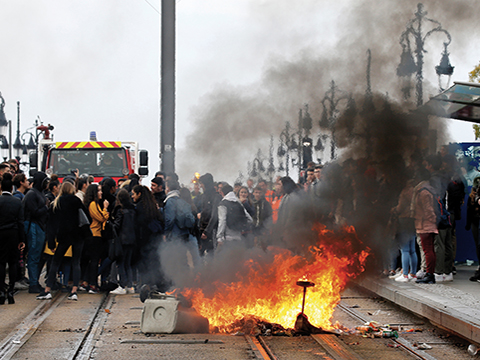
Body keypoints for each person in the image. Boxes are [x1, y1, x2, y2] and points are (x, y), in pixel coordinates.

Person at [37, 182, 88, 301]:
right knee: (76, 262)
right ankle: (74, 290)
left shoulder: (56, 203)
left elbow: (51, 225)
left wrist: (51, 242)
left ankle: (47, 290)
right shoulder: (76, 201)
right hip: (78, 236)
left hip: (64, 237)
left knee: (55, 262)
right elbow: (86, 217)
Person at [0, 173, 26, 304]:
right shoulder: (17, 202)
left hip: (1, 233)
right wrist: (22, 239)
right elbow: (21, 222)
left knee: (1, 262)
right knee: (13, 262)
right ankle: (11, 290)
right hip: (14, 234)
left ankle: (0, 291)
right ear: (12, 189)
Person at [23, 171, 49, 293]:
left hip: (40, 226)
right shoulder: (32, 194)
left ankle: (35, 281)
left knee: (39, 255)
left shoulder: (38, 193)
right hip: (34, 226)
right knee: (34, 255)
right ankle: (33, 283)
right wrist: (45, 207)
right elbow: (34, 212)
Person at [82, 184, 109, 293]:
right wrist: (105, 209)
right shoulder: (93, 204)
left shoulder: (96, 204)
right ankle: (92, 283)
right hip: (94, 235)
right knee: (93, 260)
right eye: (98, 191)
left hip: (96, 235)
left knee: (93, 260)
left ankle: (89, 282)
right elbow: (102, 218)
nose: (101, 192)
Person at [110, 189, 137, 295]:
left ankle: (122, 285)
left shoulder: (120, 210)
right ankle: (130, 286)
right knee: (128, 264)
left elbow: (117, 225)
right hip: (132, 239)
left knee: (120, 263)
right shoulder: (133, 210)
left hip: (122, 240)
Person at [414, 169, 438, 284]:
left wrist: (431, 220)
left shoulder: (423, 192)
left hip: (426, 225)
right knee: (429, 250)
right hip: (427, 224)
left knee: (427, 250)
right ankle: (429, 273)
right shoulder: (429, 190)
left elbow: (428, 209)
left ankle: (429, 274)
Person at [197, 173, 222, 255]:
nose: (200, 186)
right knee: (200, 255)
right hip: (202, 230)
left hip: (211, 232)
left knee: (211, 255)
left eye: (201, 184)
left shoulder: (216, 197)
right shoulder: (204, 196)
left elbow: (214, 216)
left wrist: (207, 231)